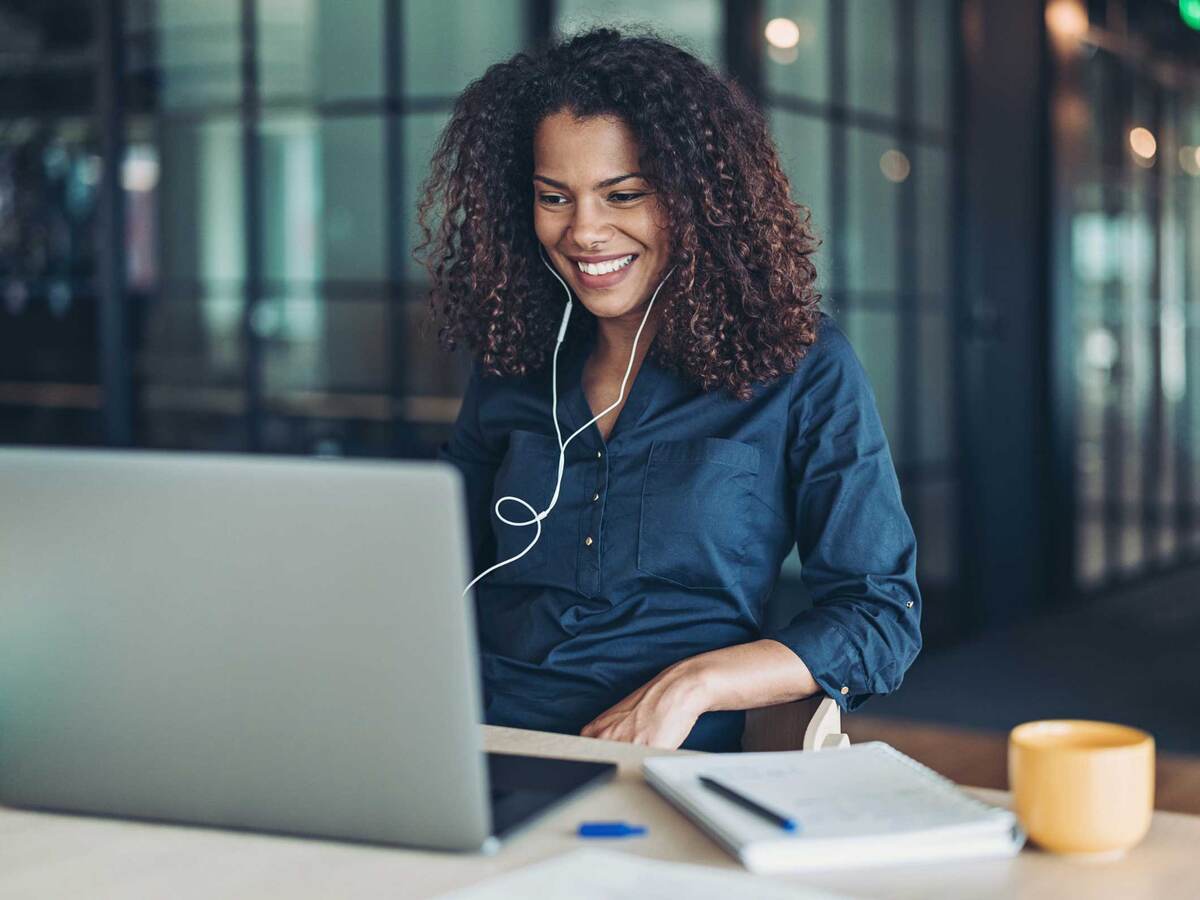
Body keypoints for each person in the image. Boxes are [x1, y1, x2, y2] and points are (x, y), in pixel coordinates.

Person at [416, 27, 921, 752]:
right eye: (554, 197)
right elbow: (430, 566)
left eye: (624, 194)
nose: (585, 231)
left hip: (675, 766)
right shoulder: (514, 365)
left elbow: (880, 617)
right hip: (482, 746)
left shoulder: (799, 367)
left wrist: (693, 686)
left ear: (695, 199)